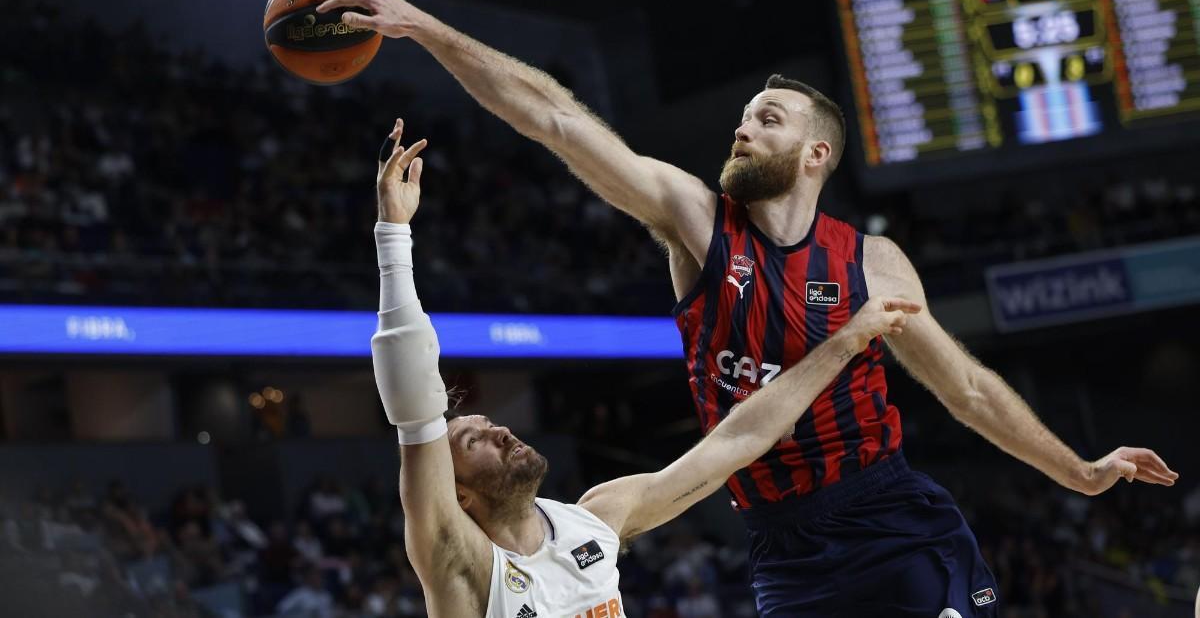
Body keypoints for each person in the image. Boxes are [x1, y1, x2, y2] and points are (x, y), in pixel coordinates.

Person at [315, 0, 1181, 617]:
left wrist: (1077, 468)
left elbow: (966, 388)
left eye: (769, 118)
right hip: (777, 538)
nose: (743, 124)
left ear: (816, 155)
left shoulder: (872, 263)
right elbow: (557, 120)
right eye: (744, 114)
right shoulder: (697, 220)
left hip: (886, 508)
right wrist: (424, 26)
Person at [369, 119, 919, 617]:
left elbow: (742, 436)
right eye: (474, 442)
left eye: (488, 424)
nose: (498, 431)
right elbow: (416, 405)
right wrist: (394, 235)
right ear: (458, 495)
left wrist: (846, 341)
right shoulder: (463, 565)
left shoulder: (598, 517)